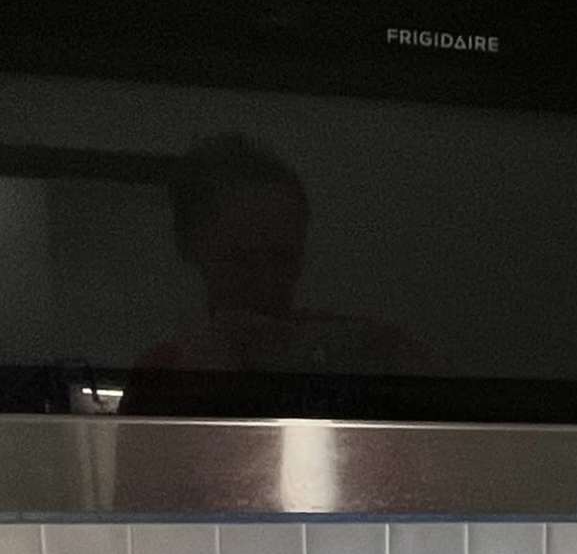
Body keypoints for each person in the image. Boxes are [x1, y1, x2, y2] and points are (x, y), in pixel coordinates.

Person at [130, 132, 427, 378]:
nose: (267, 281)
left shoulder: (359, 349)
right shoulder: (163, 374)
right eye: (240, 259)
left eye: (284, 257)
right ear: (191, 247)